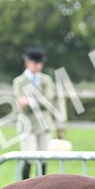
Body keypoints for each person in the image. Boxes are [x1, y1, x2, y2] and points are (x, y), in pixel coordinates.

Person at [12, 47, 63, 179]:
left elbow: (49, 99)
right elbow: (21, 101)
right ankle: (24, 187)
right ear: (27, 62)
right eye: (35, 63)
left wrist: (30, 100)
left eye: (39, 63)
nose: (37, 66)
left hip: (44, 123)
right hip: (27, 123)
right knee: (28, 156)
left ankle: (42, 185)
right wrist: (37, 101)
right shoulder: (19, 81)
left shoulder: (46, 80)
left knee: (43, 157)